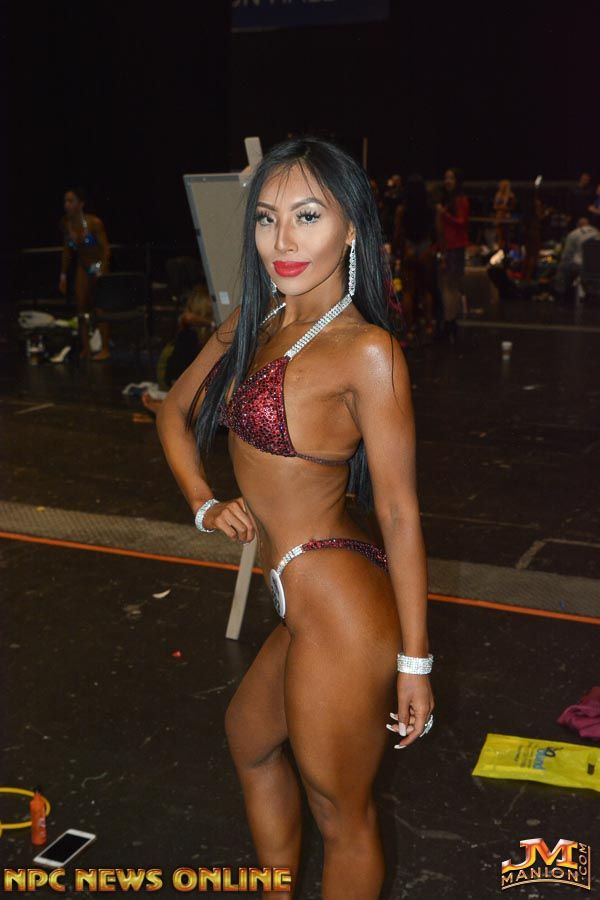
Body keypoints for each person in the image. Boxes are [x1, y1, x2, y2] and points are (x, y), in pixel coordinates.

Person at [155, 137, 434, 899]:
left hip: (342, 608)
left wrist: (415, 663)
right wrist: (203, 502)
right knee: (249, 742)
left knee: (341, 813)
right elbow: (174, 412)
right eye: (267, 218)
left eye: (308, 216)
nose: (283, 240)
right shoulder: (257, 320)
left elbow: (400, 511)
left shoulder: (367, 352)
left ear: (351, 229)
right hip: (299, 598)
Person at [142, 285, 215, 415]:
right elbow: (176, 374)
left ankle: (179, 408)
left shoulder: (210, 335)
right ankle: (179, 407)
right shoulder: (190, 335)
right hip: (183, 385)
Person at [59, 187, 111, 360]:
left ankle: (105, 348)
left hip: (97, 265)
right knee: (81, 308)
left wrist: (101, 270)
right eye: (65, 201)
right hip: (82, 267)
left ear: (81, 204)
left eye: (71, 201)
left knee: (100, 307)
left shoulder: (94, 223)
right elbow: (67, 251)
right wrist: (63, 275)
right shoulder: (66, 224)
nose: (67, 205)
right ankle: (86, 349)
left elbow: (105, 249)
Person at [393, 174, 436, 342]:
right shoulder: (430, 208)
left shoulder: (402, 209)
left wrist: (398, 251)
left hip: (409, 248)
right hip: (425, 248)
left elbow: (398, 233)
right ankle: (429, 325)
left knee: (408, 292)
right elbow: (435, 231)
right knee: (426, 290)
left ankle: (410, 329)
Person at [436, 168, 470, 341]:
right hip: (449, 246)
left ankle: (450, 321)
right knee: (450, 286)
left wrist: (444, 214)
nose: (448, 181)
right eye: (446, 178)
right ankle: (451, 321)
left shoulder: (460, 200)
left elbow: (462, 222)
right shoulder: (449, 200)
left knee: (449, 286)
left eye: (451, 178)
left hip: (454, 247)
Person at [553, 217, 600, 305]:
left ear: (578, 225)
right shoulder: (596, 232)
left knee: (563, 267)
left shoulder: (573, 234)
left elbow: (567, 254)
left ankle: (560, 293)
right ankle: (592, 293)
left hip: (581, 265)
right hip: (597, 267)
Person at [493, 179, 516, 250]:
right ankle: (500, 249)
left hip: (506, 217)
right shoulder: (498, 195)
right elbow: (495, 206)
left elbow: (513, 207)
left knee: (506, 235)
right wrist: (500, 207)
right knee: (499, 235)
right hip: (499, 217)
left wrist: (505, 208)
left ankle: (506, 249)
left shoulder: (511, 196)